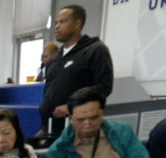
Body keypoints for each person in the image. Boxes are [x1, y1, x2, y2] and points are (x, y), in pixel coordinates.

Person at [38, 5, 113, 140]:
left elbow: (104, 86)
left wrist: (72, 107)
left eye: (63, 22)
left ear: (77, 23)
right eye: (56, 23)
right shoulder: (56, 58)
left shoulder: (95, 50)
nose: (57, 26)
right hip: (49, 129)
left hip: (77, 131)